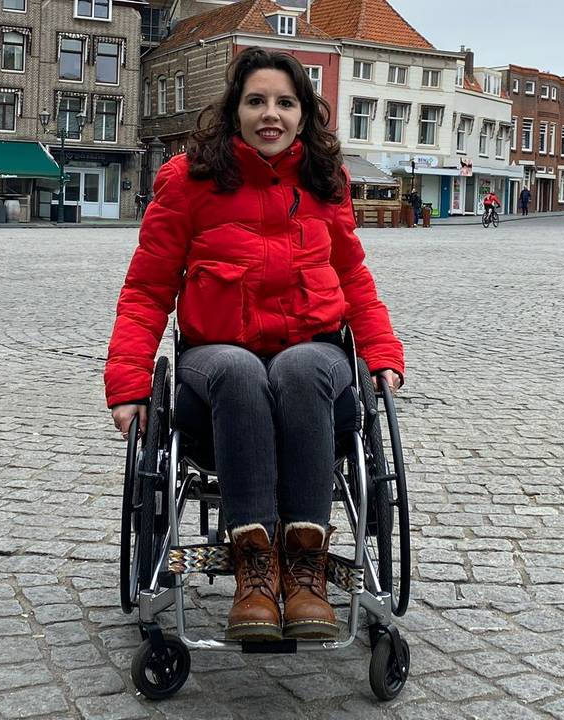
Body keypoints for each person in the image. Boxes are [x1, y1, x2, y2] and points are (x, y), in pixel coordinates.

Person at [105, 48, 404, 643]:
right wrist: (130, 383)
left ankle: (304, 570)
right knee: (240, 371)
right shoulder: (188, 182)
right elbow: (146, 288)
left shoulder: (325, 182)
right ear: (234, 110)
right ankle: (255, 573)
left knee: (298, 369)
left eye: (285, 103)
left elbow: (353, 277)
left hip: (313, 353)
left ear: (304, 114)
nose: (271, 115)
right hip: (215, 357)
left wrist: (382, 353)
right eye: (257, 101)